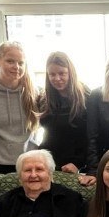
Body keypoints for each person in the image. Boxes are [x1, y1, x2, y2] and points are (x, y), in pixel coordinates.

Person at [35, 51, 94, 186]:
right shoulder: (44, 98)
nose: (57, 78)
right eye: (52, 74)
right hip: (47, 162)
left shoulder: (86, 96)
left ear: (70, 73)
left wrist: (78, 163)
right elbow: (49, 135)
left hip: (75, 166)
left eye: (62, 73)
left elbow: (91, 137)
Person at [0, 41, 38, 175]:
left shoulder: (34, 92)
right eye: (10, 61)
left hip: (29, 160)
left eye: (21, 63)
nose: (16, 67)